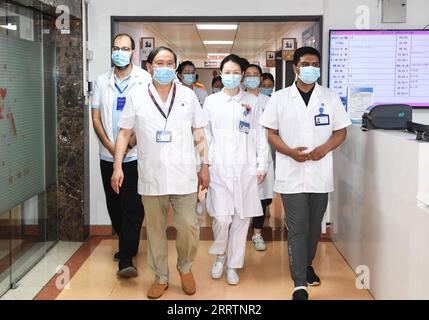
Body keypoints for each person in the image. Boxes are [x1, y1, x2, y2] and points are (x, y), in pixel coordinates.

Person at [111, 46, 210, 299]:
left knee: (188, 226)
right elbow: (124, 132)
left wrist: (205, 165)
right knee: (155, 230)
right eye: (159, 62)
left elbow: (199, 131)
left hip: (184, 174)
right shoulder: (137, 96)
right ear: (149, 67)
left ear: (174, 68)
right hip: (152, 175)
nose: (164, 67)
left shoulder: (188, 95)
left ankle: (185, 268)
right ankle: (161, 276)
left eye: (169, 63)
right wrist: (117, 166)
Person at [259, 47, 351, 300]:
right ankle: (300, 281)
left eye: (315, 63)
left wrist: (323, 149)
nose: (311, 68)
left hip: (320, 173)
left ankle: (306, 264)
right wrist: (289, 152)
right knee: (298, 228)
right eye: (306, 63)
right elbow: (271, 133)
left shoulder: (330, 97)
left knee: (314, 229)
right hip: (291, 172)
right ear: (296, 68)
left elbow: (341, 131)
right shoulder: (279, 97)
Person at [203, 54, 269, 285]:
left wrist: (262, 165)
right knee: (221, 218)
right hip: (219, 168)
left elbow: (261, 135)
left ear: (242, 75)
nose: (231, 76)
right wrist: (204, 165)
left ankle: (233, 265)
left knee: (241, 219)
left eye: (235, 72)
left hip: (246, 167)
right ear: (220, 73)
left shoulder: (253, 101)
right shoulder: (211, 102)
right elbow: (205, 136)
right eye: (227, 72)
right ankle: (220, 254)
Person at [91, 33, 149, 278]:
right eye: (116, 48)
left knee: (133, 207)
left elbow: (146, 119)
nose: (120, 52)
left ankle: (125, 257)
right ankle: (129, 243)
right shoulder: (101, 80)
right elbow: (96, 117)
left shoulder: (144, 79)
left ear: (133, 53)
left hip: (135, 156)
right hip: (107, 155)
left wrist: (126, 146)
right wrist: (110, 145)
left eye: (125, 48)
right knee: (114, 206)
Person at [243, 64, 275, 251]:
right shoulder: (240, 99)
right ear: (243, 78)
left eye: (256, 75)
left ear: (261, 78)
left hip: (264, 154)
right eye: (249, 75)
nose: (253, 78)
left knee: (262, 199)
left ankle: (257, 234)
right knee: (243, 196)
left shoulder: (269, 101)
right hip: (243, 155)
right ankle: (239, 232)